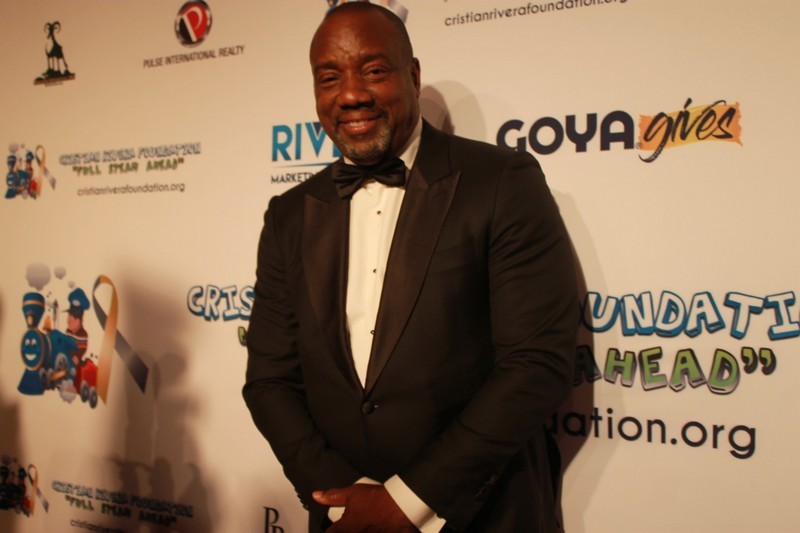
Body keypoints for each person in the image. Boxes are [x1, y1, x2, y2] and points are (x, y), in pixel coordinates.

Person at [243, 3, 578, 531]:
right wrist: (343, 501)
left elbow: (537, 363)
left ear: (413, 75)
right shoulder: (289, 213)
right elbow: (270, 380)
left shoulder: (500, 181)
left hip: (481, 515)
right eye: (329, 78)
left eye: (374, 70)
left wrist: (407, 501)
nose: (351, 94)